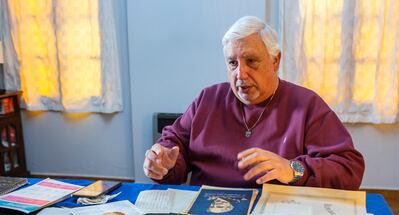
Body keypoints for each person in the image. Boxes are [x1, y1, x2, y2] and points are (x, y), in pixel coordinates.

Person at [143, 16, 364, 190]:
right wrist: (163, 163)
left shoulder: (306, 105)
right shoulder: (207, 99)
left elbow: (348, 168)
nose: (241, 74)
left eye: (251, 61)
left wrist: (293, 169)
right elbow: (174, 145)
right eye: (232, 63)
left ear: (275, 60)